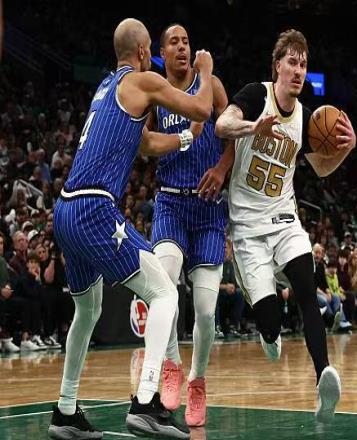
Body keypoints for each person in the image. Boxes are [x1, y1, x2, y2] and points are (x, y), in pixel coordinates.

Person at [48, 18, 215, 440]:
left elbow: (145, 144)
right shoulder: (145, 81)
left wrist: (185, 140)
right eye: (153, 51)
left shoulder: (106, 88)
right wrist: (206, 69)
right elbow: (201, 108)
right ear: (143, 52)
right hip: (93, 207)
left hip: (64, 208)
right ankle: (145, 403)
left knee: (88, 311)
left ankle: (65, 410)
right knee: (164, 293)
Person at [215, 29, 356, 420]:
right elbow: (222, 126)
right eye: (292, 62)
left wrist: (347, 149)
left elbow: (321, 169)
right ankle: (269, 331)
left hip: (284, 220)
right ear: (277, 65)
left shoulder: (307, 118)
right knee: (271, 320)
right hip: (248, 229)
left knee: (308, 291)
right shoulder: (255, 95)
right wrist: (252, 127)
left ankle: (323, 378)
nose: (298, 70)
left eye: (303, 64)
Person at [147, 24, 234, 427]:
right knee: (163, 283)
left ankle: (197, 381)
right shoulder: (155, 91)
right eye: (174, 42)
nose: (182, 47)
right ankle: (171, 364)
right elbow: (144, 142)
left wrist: (221, 168)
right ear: (162, 52)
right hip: (170, 202)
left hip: (209, 209)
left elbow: (234, 136)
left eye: (186, 41)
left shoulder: (211, 84)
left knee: (205, 310)